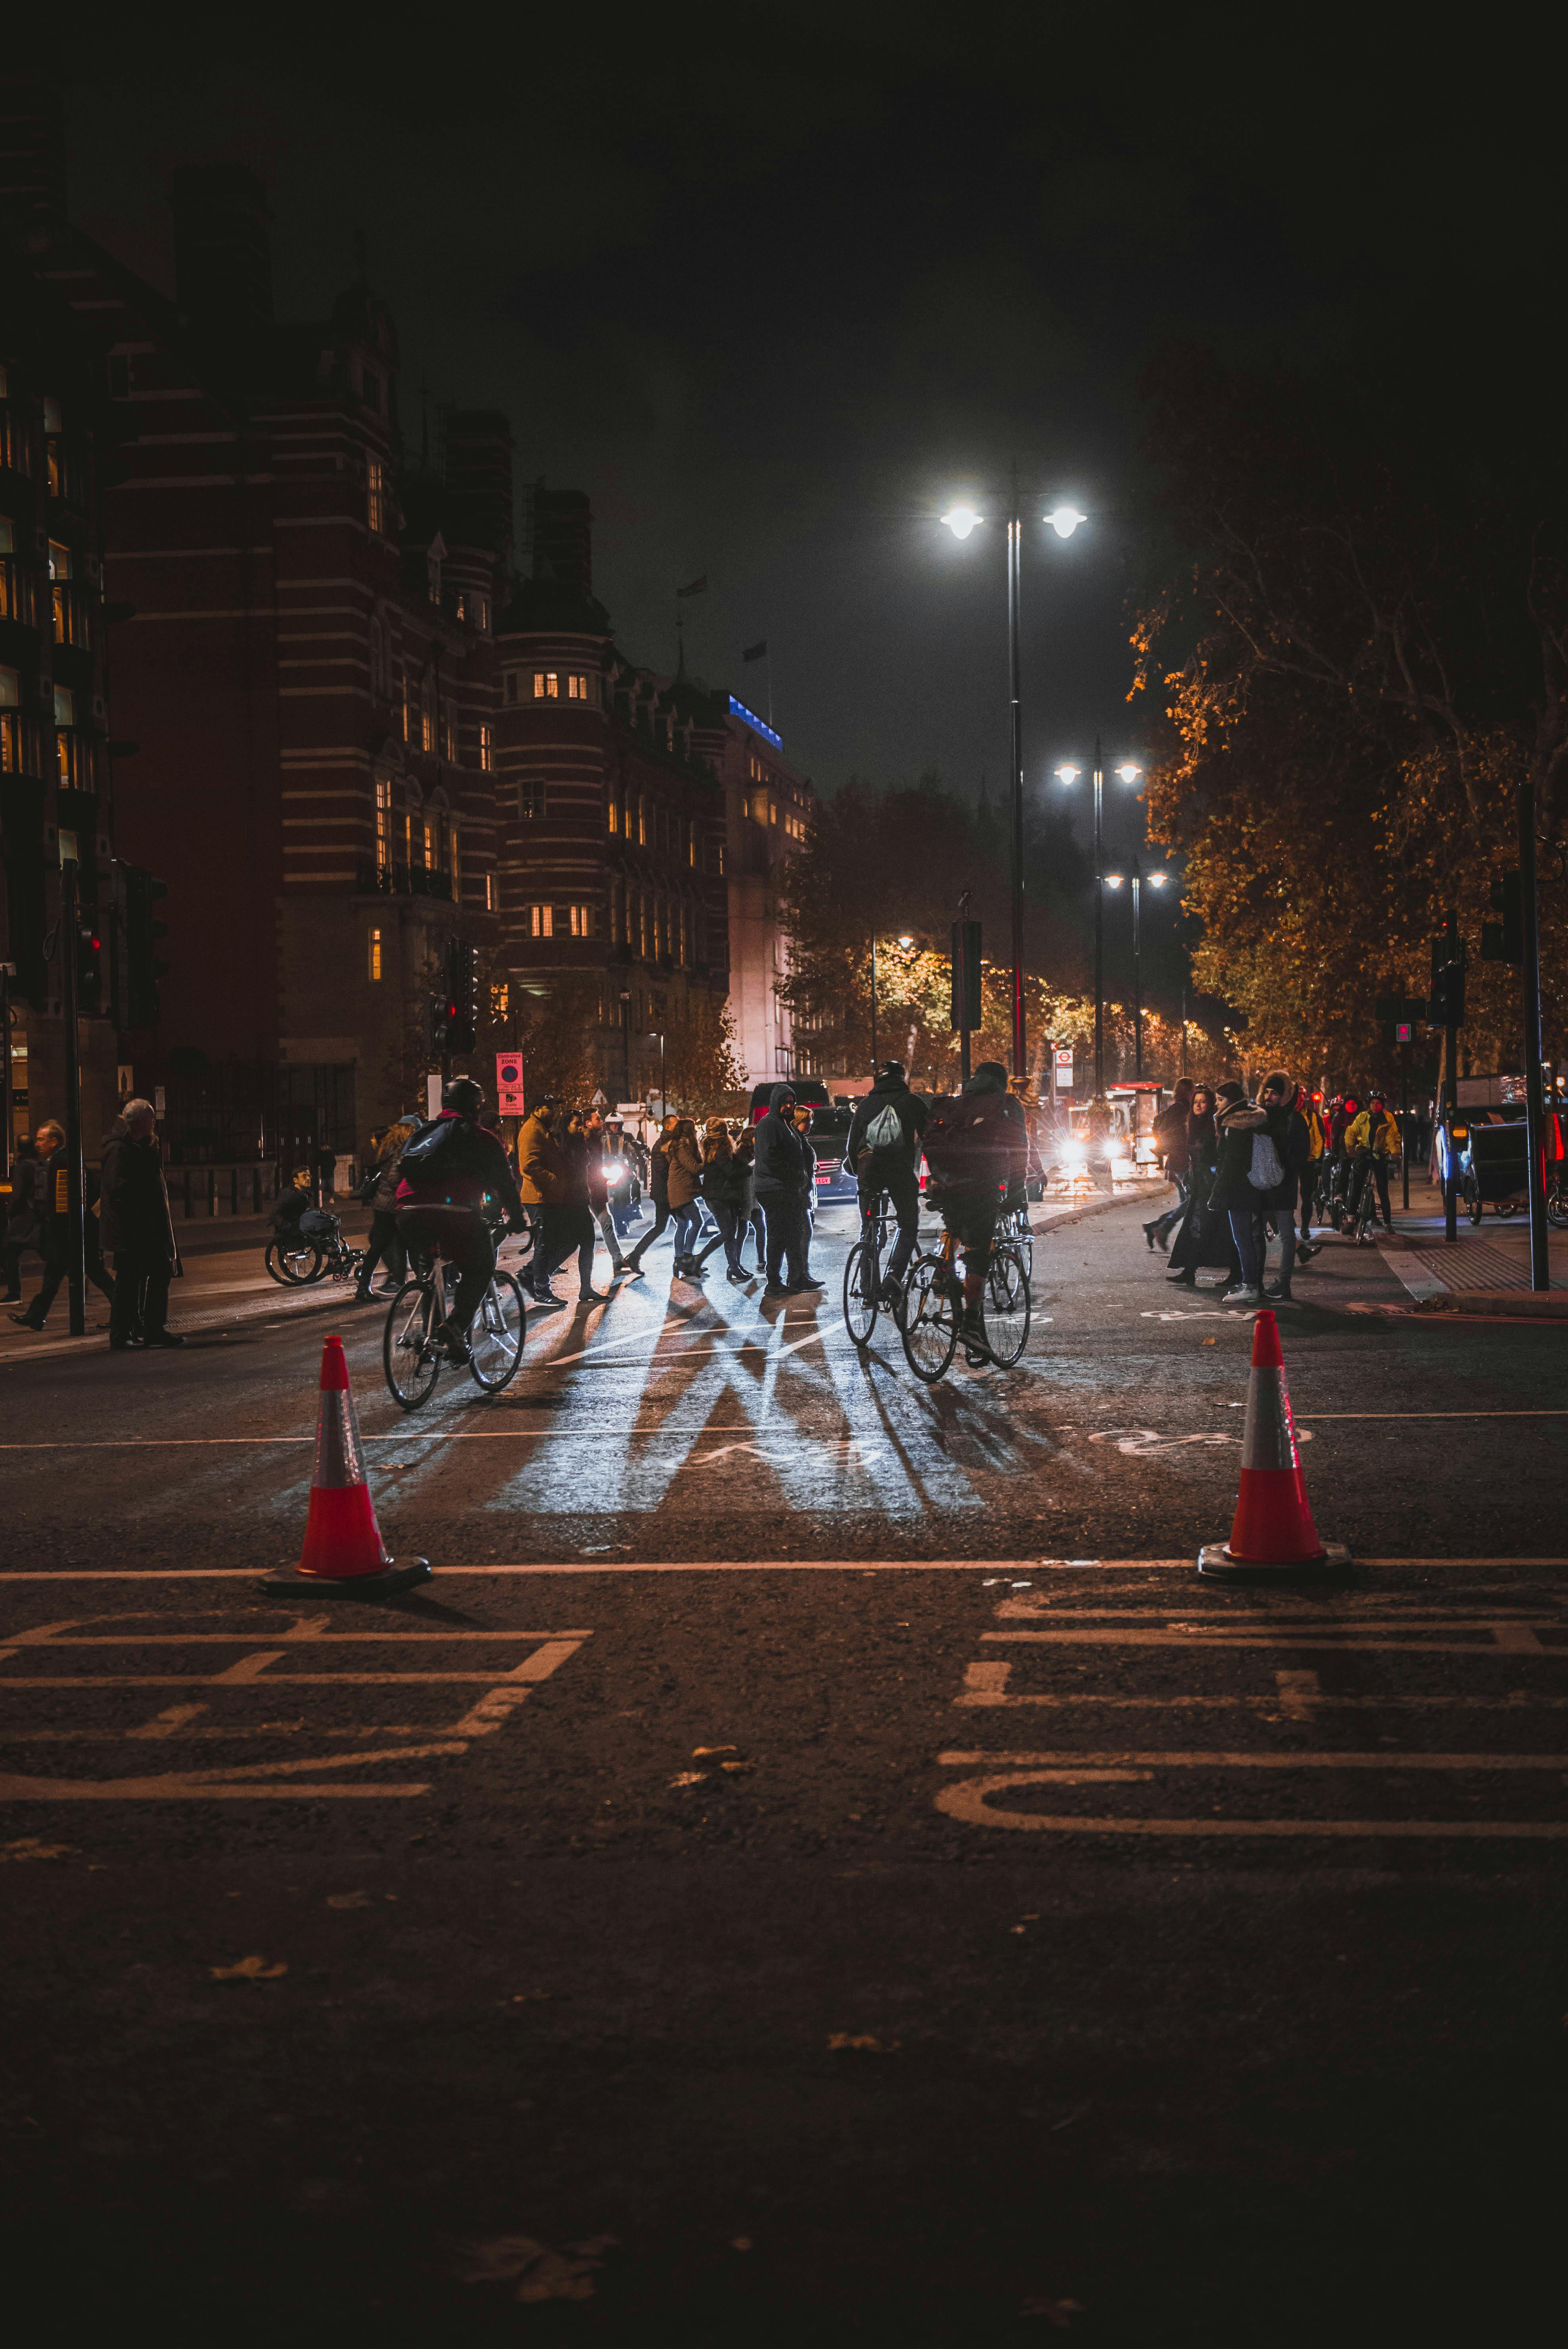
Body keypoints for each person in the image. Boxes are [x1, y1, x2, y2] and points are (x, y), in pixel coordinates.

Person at [394, 1077, 526, 1360]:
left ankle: (432, 1339)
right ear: (476, 1107)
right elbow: (505, 1184)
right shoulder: (481, 1138)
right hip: (450, 1212)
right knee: (481, 1265)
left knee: (430, 1269)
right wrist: (517, 1218)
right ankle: (454, 1329)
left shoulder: (426, 1131)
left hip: (406, 1212)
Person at [922, 1060, 1028, 1349]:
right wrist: (1018, 1193)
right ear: (1002, 1082)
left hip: (947, 1184)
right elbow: (1020, 1149)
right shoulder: (1007, 1104)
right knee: (979, 1253)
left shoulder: (957, 1104)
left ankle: (941, 1271)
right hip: (983, 1187)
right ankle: (970, 1324)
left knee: (955, 1226)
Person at [9, 1120, 117, 1332]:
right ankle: (36, 1316)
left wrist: (59, 1229)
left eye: (42, 1139)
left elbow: (64, 1203)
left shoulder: (61, 1162)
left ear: (54, 1142)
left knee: (92, 1272)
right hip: (73, 1230)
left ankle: (124, 1310)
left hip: (70, 1232)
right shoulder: (62, 1159)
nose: (38, 1143)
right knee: (56, 1274)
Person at [101, 1098, 183, 1350]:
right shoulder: (119, 1149)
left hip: (147, 1229)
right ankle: (122, 1333)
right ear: (138, 1121)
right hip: (132, 1230)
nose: (154, 1123)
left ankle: (152, 1329)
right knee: (129, 1281)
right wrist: (143, 1203)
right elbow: (118, 1189)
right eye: (150, 1118)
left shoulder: (142, 1147)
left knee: (157, 1274)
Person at [846, 1059, 928, 1299]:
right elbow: (930, 1139)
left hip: (868, 1169)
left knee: (869, 1228)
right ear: (901, 1078)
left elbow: (852, 1144)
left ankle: (868, 1290)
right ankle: (893, 1278)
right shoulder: (912, 1102)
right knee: (908, 1223)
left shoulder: (866, 1104)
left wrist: (857, 1172)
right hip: (898, 1169)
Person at [1164, 1085, 1240, 1290]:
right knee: (1195, 1228)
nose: (1198, 1105)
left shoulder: (1214, 1125)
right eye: (1196, 1102)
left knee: (1218, 1228)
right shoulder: (1193, 1124)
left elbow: (1217, 1153)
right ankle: (1190, 1271)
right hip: (1199, 1182)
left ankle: (1236, 1272)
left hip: (1212, 1182)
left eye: (1203, 1102)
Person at [1206, 1080, 1271, 1306]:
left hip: (1239, 1189)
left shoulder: (1234, 1125)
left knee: (1242, 1238)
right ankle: (1254, 1283)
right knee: (1252, 1237)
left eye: (1220, 1099)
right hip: (1253, 1185)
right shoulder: (1250, 1118)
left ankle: (1251, 1285)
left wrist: (1218, 1192)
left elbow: (1231, 1162)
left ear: (1231, 1101)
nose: (1216, 1104)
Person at [537, 1109, 610, 1306]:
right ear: (566, 1125)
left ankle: (583, 1287)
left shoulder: (580, 1143)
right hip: (568, 1201)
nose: (579, 1128)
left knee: (585, 1242)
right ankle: (540, 1279)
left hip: (580, 1198)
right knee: (573, 1243)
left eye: (581, 1124)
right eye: (576, 1124)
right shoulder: (560, 1145)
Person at [751, 1083, 818, 1297]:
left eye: (791, 1102)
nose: (789, 1106)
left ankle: (796, 1278)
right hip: (774, 1188)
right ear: (776, 1103)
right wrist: (794, 1174)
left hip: (786, 1188)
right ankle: (774, 1282)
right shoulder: (769, 1125)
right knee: (778, 1235)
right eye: (785, 1102)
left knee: (793, 1233)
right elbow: (771, 1158)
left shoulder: (784, 1125)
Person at [1252, 1069, 1313, 1302]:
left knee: (1287, 1236)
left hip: (1283, 1185)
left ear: (1284, 1095)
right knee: (1257, 1233)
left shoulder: (1292, 1119)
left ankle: (1284, 1283)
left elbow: (1301, 1154)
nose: (1269, 1096)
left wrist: (1283, 1169)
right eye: (1267, 1091)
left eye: (1275, 1093)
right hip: (1262, 1185)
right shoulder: (1260, 1117)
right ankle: (1255, 1279)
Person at [353, 1118, 414, 1302]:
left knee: (382, 1246)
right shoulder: (398, 1151)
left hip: (384, 1205)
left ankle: (372, 1285)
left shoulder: (387, 1149)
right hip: (391, 1206)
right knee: (397, 1243)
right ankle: (370, 1286)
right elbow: (396, 1178)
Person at [516, 1097, 569, 1305]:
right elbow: (529, 1165)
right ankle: (541, 1289)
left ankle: (532, 1275)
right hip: (538, 1196)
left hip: (546, 1197)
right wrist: (553, 1179)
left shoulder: (541, 1129)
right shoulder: (532, 1130)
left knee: (558, 1241)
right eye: (550, 1108)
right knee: (545, 1244)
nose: (554, 1112)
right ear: (538, 1109)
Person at [1144, 1078, 1196, 1251]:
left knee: (1187, 1205)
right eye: (1193, 1090)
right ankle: (1163, 1227)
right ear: (1188, 1091)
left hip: (1177, 1161)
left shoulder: (1177, 1108)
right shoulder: (1182, 1109)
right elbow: (1176, 1135)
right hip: (1182, 1162)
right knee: (1192, 1202)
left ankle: (1157, 1227)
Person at [624, 1114, 679, 1277]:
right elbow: (665, 1170)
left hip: (666, 1193)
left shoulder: (668, 1143)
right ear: (668, 1126)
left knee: (666, 1227)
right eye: (676, 1125)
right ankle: (684, 1260)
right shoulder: (662, 1145)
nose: (679, 1127)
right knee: (680, 1225)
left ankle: (635, 1257)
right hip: (665, 1194)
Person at [696, 1119, 748, 1281]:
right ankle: (698, 1260)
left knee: (730, 1233)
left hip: (718, 1196)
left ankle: (734, 1267)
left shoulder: (712, 1148)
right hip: (719, 1197)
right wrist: (749, 1168)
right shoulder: (721, 1151)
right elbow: (730, 1173)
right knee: (728, 1233)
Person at [1346, 1092, 1401, 1229]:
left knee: (1383, 1190)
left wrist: (1395, 1154)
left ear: (1382, 1105)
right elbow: (1351, 1132)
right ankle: (1351, 1218)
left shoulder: (1388, 1118)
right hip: (1364, 1153)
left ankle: (1388, 1223)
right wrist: (1351, 1149)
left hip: (1379, 1155)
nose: (1375, 1106)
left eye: (1378, 1103)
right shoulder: (1362, 1117)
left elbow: (1392, 1136)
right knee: (1356, 1185)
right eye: (1372, 1103)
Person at [663, 1116, 706, 1277]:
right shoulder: (682, 1147)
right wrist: (710, 1162)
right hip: (681, 1192)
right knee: (697, 1222)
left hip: (678, 1191)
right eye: (693, 1129)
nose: (696, 1132)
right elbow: (694, 1168)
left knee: (682, 1226)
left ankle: (679, 1261)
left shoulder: (680, 1146)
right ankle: (687, 1259)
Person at [3, 1135, 43, 1302]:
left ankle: (14, 1293)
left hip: (24, 1217)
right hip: (39, 1214)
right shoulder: (40, 1163)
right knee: (48, 1253)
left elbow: (17, 1195)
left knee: (9, 1251)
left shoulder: (22, 1167)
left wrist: (10, 1212)